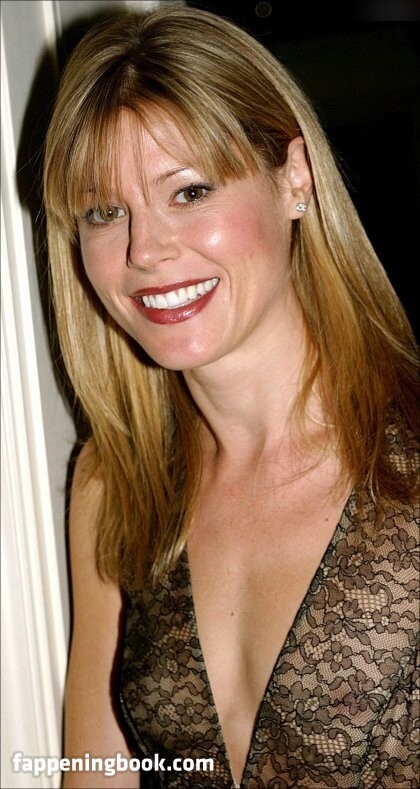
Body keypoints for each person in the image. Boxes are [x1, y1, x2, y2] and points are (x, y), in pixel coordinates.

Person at [43, 5, 419, 788]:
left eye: (189, 192)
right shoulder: (114, 485)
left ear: (294, 179)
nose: (146, 250)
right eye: (106, 212)